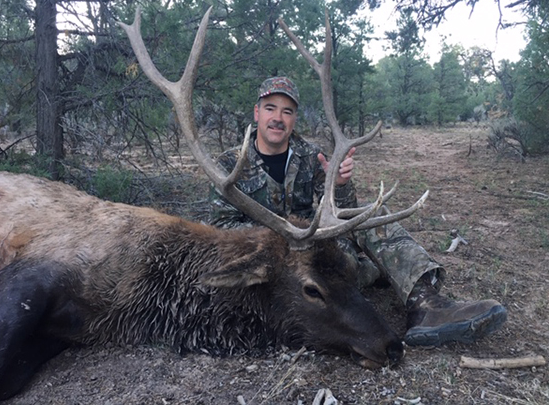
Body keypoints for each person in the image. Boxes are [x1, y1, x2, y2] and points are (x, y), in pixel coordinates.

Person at [209, 76, 507, 347]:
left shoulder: (311, 155)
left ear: (294, 118)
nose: (278, 118)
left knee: (366, 214)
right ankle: (372, 271)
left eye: (287, 112)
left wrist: (338, 184)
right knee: (347, 272)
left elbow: (343, 210)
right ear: (256, 113)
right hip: (274, 267)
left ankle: (426, 305)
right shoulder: (228, 164)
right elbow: (217, 227)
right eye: (271, 108)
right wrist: (279, 237)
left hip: (318, 252)